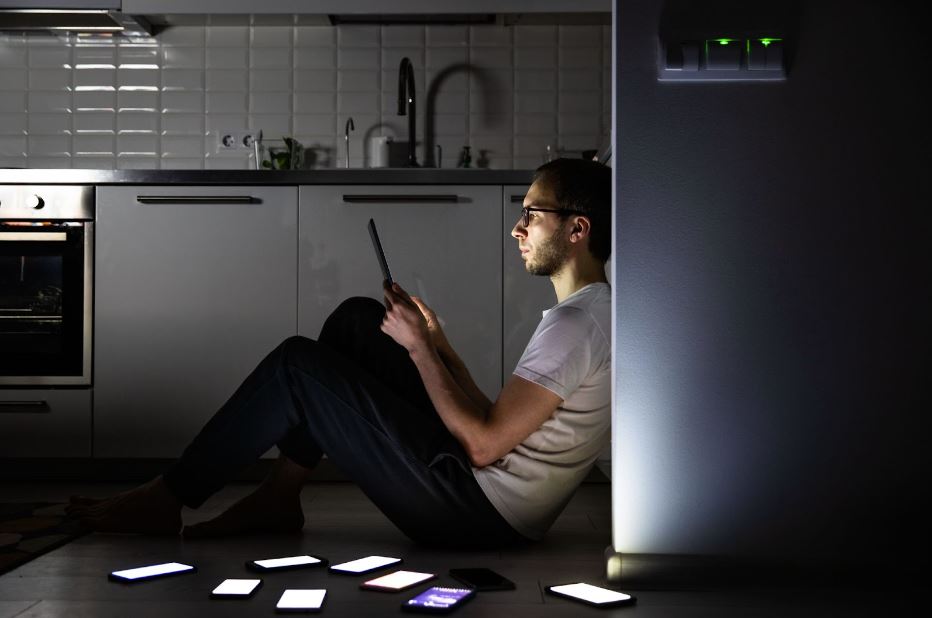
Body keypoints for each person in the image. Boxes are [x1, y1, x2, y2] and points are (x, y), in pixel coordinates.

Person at [67, 158, 612, 547]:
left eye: (532, 214)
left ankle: (168, 497)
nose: (517, 227)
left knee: (296, 365)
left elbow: (484, 446)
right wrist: (437, 343)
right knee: (358, 321)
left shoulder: (573, 324)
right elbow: (498, 421)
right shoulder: (590, 313)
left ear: (576, 229)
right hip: (491, 497)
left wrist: (420, 351)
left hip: (478, 513)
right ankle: (281, 495)